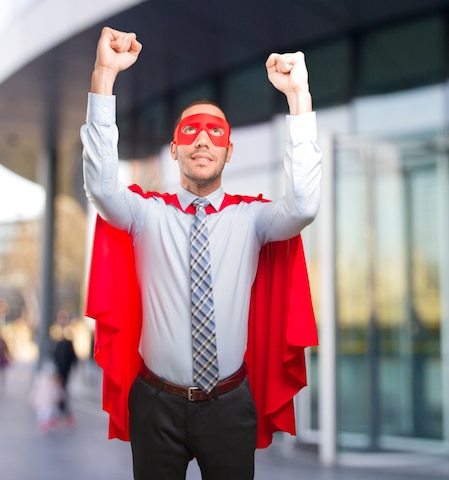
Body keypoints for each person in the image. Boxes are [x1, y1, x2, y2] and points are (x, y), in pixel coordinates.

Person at [81, 26, 321, 480]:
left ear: (229, 150)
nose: (203, 139)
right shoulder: (144, 213)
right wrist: (104, 76)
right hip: (156, 404)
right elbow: (100, 186)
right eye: (190, 130)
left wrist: (299, 98)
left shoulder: (253, 219)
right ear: (174, 149)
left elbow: (305, 205)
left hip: (229, 405)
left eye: (215, 131)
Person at [51, 310, 78, 426]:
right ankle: (61, 413)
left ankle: (64, 414)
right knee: (60, 392)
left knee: (62, 392)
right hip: (59, 370)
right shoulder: (55, 333)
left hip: (65, 370)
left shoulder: (69, 335)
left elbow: (72, 356)